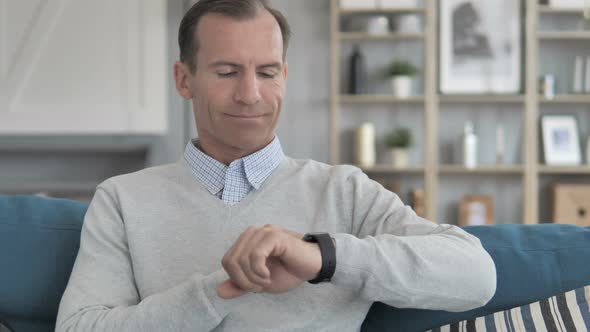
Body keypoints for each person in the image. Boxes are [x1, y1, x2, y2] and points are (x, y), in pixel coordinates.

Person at [56, 0, 496, 331]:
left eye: (267, 73)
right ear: (184, 79)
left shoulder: (345, 191)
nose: (250, 94)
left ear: (284, 75)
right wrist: (219, 291)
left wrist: (323, 256)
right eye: (227, 72)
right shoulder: (122, 200)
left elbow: (475, 275)